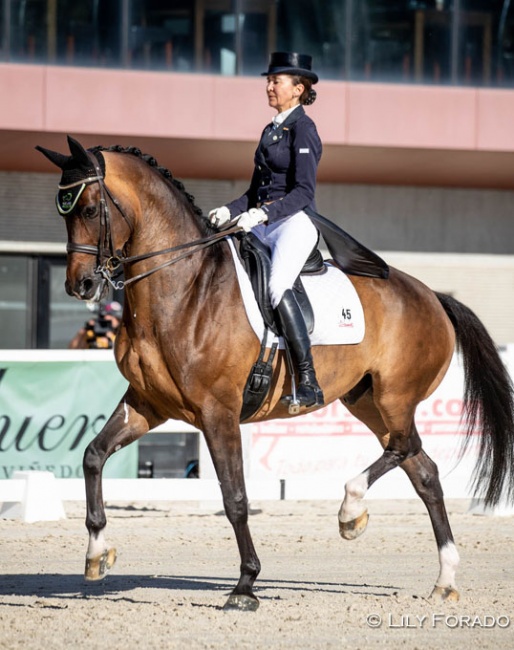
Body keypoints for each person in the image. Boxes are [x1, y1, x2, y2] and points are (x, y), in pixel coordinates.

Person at [209, 52, 324, 408]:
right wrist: (230, 209)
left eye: (277, 81)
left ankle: (308, 379)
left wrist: (262, 215)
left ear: (298, 88)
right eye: (268, 80)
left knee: (277, 286)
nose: (269, 86)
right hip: (264, 220)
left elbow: (303, 192)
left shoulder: (304, 129)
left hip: (294, 223)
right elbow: (254, 190)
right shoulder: (270, 130)